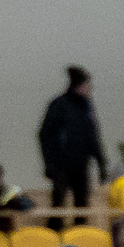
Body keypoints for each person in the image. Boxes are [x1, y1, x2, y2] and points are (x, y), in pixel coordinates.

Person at [36, 69, 104, 211]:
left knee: (82, 205)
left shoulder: (86, 107)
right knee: (58, 205)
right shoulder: (59, 106)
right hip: (61, 166)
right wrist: (49, 164)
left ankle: (81, 233)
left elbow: (92, 137)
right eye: (88, 86)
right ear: (80, 86)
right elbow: (45, 136)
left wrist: (101, 162)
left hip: (81, 166)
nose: (90, 90)